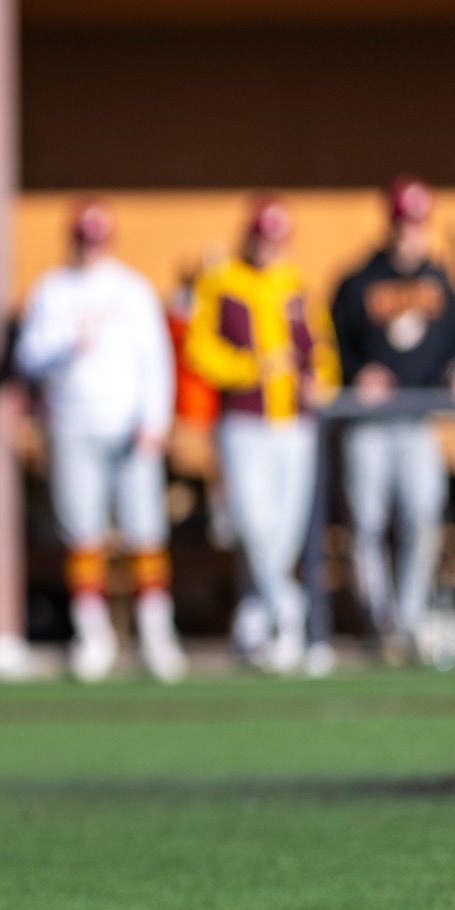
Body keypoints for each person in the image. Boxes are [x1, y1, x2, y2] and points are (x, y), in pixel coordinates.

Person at [15, 201, 186, 683]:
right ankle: (92, 634)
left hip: (129, 430)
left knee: (145, 533)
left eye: (98, 237)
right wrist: (67, 345)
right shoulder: (52, 290)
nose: (90, 247)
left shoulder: (132, 289)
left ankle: (156, 633)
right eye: (83, 238)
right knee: (82, 534)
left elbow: (156, 359)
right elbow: (26, 356)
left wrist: (155, 419)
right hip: (72, 427)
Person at [329, 176, 455, 665]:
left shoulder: (442, 281)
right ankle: (382, 622)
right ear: (389, 223)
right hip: (369, 424)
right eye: (402, 222)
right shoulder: (357, 281)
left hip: (418, 421)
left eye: (417, 223)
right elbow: (332, 347)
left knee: (423, 518)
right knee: (367, 524)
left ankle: (410, 617)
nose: (409, 233)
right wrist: (357, 374)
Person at [183, 196, 340, 675]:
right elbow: (199, 349)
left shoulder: (296, 285)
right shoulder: (222, 280)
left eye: (277, 237)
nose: (269, 246)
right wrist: (251, 368)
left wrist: (321, 382)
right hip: (244, 421)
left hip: (293, 423)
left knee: (283, 532)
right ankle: (291, 615)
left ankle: (253, 625)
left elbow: (323, 351)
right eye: (263, 236)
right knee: (252, 524)